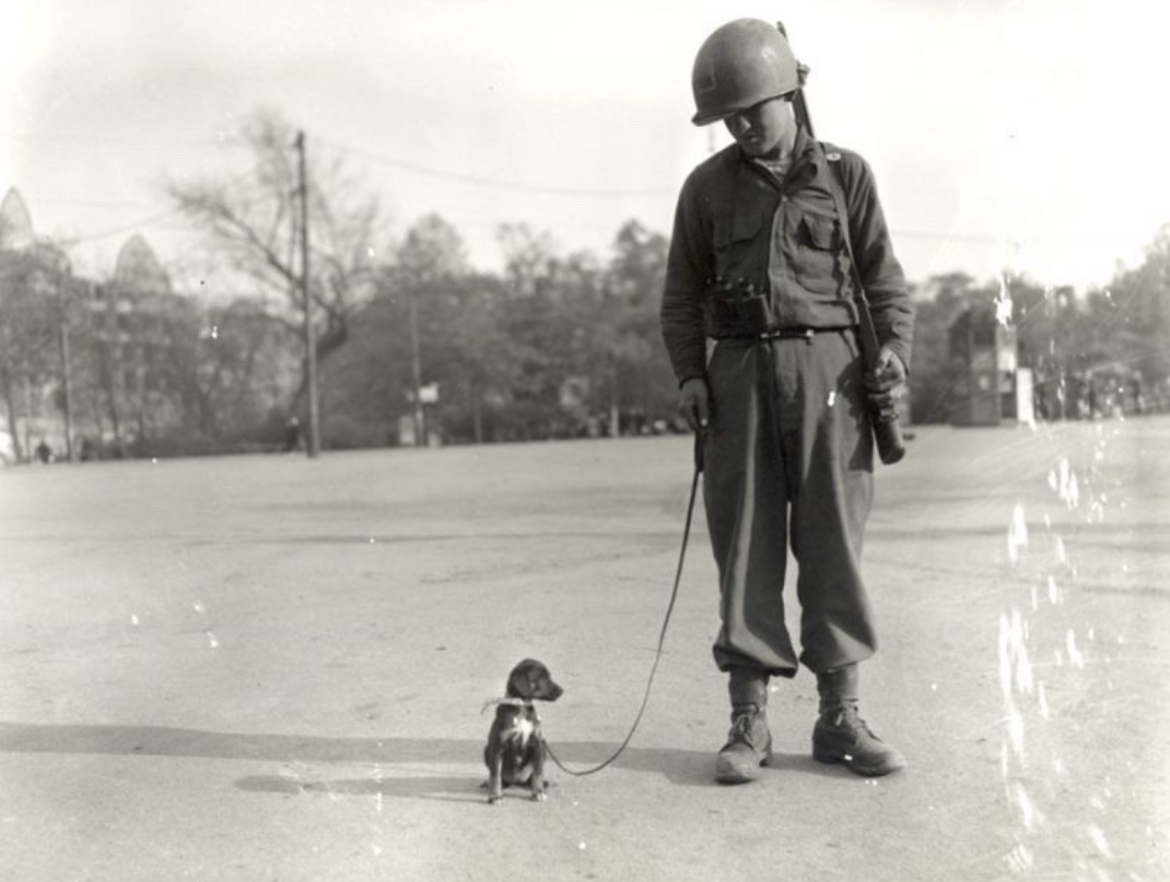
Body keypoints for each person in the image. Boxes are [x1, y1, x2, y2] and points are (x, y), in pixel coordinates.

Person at [660, 19, 914, 784]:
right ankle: (749, 722)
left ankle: (840, 717)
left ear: (791, 92)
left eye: (751, 110)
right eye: (727, 118)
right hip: (738, 375)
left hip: (834, 375)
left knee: (834, 544)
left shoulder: (847, 175)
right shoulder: (705, 190)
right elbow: (680, 300)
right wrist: (691, 375)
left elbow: (885, 283)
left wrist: (894, 355)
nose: (740, 127)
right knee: (745, 547)